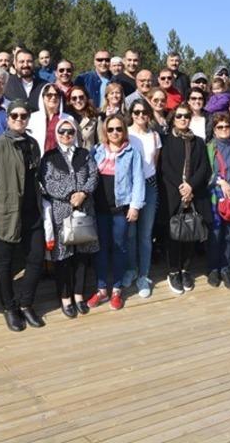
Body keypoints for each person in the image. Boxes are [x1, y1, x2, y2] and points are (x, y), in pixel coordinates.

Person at [0, 100, 47, 332]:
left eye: (24, 116)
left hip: (32, 211)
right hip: (6, 213)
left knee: (36, 258)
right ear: (8, 118)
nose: (20, 119)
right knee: (4, 264)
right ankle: (9, 307)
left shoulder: (33, 144)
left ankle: (26, 302)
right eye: (15, 116)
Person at [39, 116, 99, 318]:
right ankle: (65, 297)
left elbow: (93, 175)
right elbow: (46, 182)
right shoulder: (49, 157)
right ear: (57, 134)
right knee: (63, 258)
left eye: (70, 132)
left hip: (84, 209)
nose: (66, 135)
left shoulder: (85, 154)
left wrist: (83, 193)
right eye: (62, 132)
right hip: (62, 212)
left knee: (82, 256)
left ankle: (79, 294)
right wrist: (69, 195)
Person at [87, 113, 144, 311]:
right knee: (100, 248)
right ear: (105, 131)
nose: (115, 132)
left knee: (120, 247)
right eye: (110, 129)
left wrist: (135, 205)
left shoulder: (132, 152)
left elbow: (138, 180)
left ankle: (117, 289)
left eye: (119, 129)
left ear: (124, 131)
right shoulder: (97, 151)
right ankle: (102, 288)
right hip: (100, 209)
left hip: (121, 208)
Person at [161, 104, 211, 295]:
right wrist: (182, 187)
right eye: (179, 116)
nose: (183, 119)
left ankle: (185, 270)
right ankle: (173, 271)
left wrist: (191, 186)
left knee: (190, 233)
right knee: (173, 234)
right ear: (174, 119)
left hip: (194, 193)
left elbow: (204, 168)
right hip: (173, 193)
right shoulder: (166, 141)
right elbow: (165, 167)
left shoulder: (198, 142)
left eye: (186, 116)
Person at [126, 100, 161, 298]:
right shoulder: (126, 133)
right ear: (131, 114)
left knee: (145, 234)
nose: (140, 115)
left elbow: (154, 164)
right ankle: (131, 269)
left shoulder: (154, 136)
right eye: (136, 112)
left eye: (144, 112)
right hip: (129, 186)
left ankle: (143, 275)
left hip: (149, 186)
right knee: (130, 233)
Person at [206, 112, 230, 290]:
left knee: (229, 235)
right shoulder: (210, 148)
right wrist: (221, 182)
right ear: (214, 129)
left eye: (227, 126)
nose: (224, 130)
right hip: (215, 198)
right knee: (216, 235)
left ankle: (226, 268)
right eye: (220, 127)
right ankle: (213, 269)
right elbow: (205, 172)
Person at [26, 83, 64, 153]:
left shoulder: (68, 118)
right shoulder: (32, 118)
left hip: (61, 161)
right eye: (49, 95)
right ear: (42, 97)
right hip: (37, 160)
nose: (53, 98)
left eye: (56, 95)